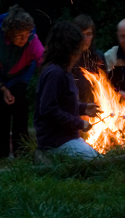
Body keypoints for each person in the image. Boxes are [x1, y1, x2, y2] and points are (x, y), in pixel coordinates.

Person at [0, 5, 45, 158]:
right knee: (1, 106)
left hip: (21, 71)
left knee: (20, 102)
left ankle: (22, 150)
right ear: (9, 33)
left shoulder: (32, 39)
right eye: (20, 35)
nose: (24, 39)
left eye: (27, 34)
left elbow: (43, 62)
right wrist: (2, 88)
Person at [34, 21, 101, 160]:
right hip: (57, 142)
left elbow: (62, 103)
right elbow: (49, 110)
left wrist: (83, 108)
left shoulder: (63, 70)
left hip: (66, 139)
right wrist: (80, 123)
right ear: (69, 48)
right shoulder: (55, 73)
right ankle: (47, 157)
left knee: (97, 158)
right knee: (98, 162)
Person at [71, 15, 107, 103]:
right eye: (81, 34)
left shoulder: (98, 57)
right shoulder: (66, 57)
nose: (85, 39)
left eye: (88, 34)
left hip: (93, 107)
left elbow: (105, 86)